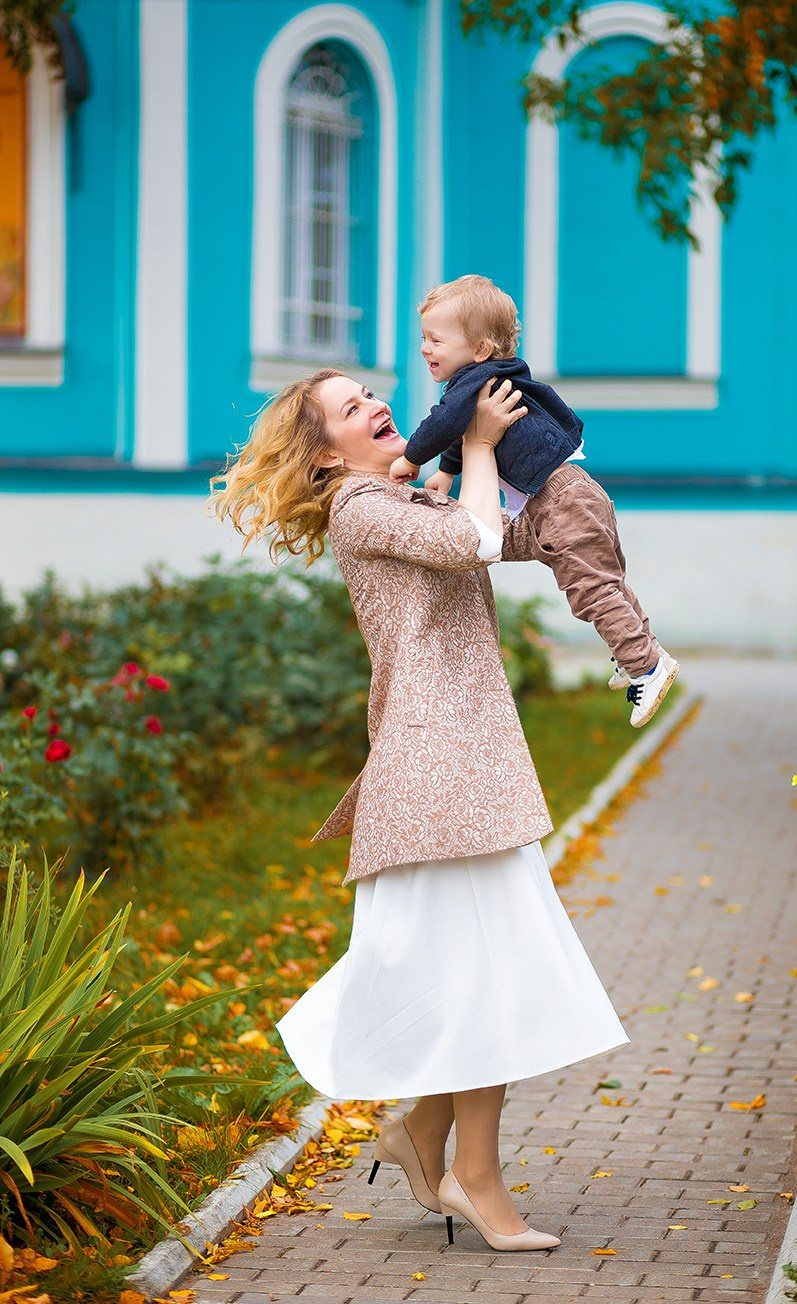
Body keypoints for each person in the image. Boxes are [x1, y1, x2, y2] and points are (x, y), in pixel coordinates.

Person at [211, 369, 627, 1253]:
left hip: (465, 769)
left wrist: (568, 509)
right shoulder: (359, 509)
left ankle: (421, 1136)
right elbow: (476, 541)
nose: (377, 404)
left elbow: (505, 536)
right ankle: (473, 1181)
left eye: (371, 391)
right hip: (437, 774)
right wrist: (474, 445)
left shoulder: (406, 500)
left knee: (477, 977)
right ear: (326, 453)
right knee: (486, 981)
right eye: (350, 407)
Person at [389, 274, 679, 729]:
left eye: (435, 340)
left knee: (591, 589)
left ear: (480, 349)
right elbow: (462, 430)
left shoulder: (474, 383)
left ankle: (645, 666)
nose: (425, 348)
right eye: (423, 338)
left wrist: (411, 457)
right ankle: (644, 650)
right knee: (607, 580)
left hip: (559, 499)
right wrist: (446, 471)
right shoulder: (489, 379)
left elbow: (445, 422)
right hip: (571, 491)